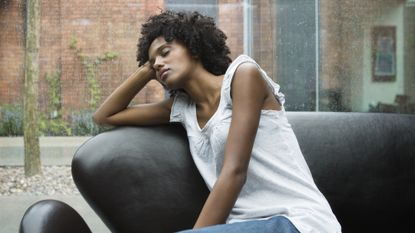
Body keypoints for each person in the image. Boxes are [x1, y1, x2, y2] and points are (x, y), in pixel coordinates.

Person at [93, 10, 341, 233]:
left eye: (165, 52)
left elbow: (234, 172)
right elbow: (105, 116)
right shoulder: (183, 109)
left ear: (194, 47)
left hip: (297, 221)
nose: (158, 63)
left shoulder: (243, 76)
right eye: (153, 61)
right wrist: (145, 70)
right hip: (244, 226)